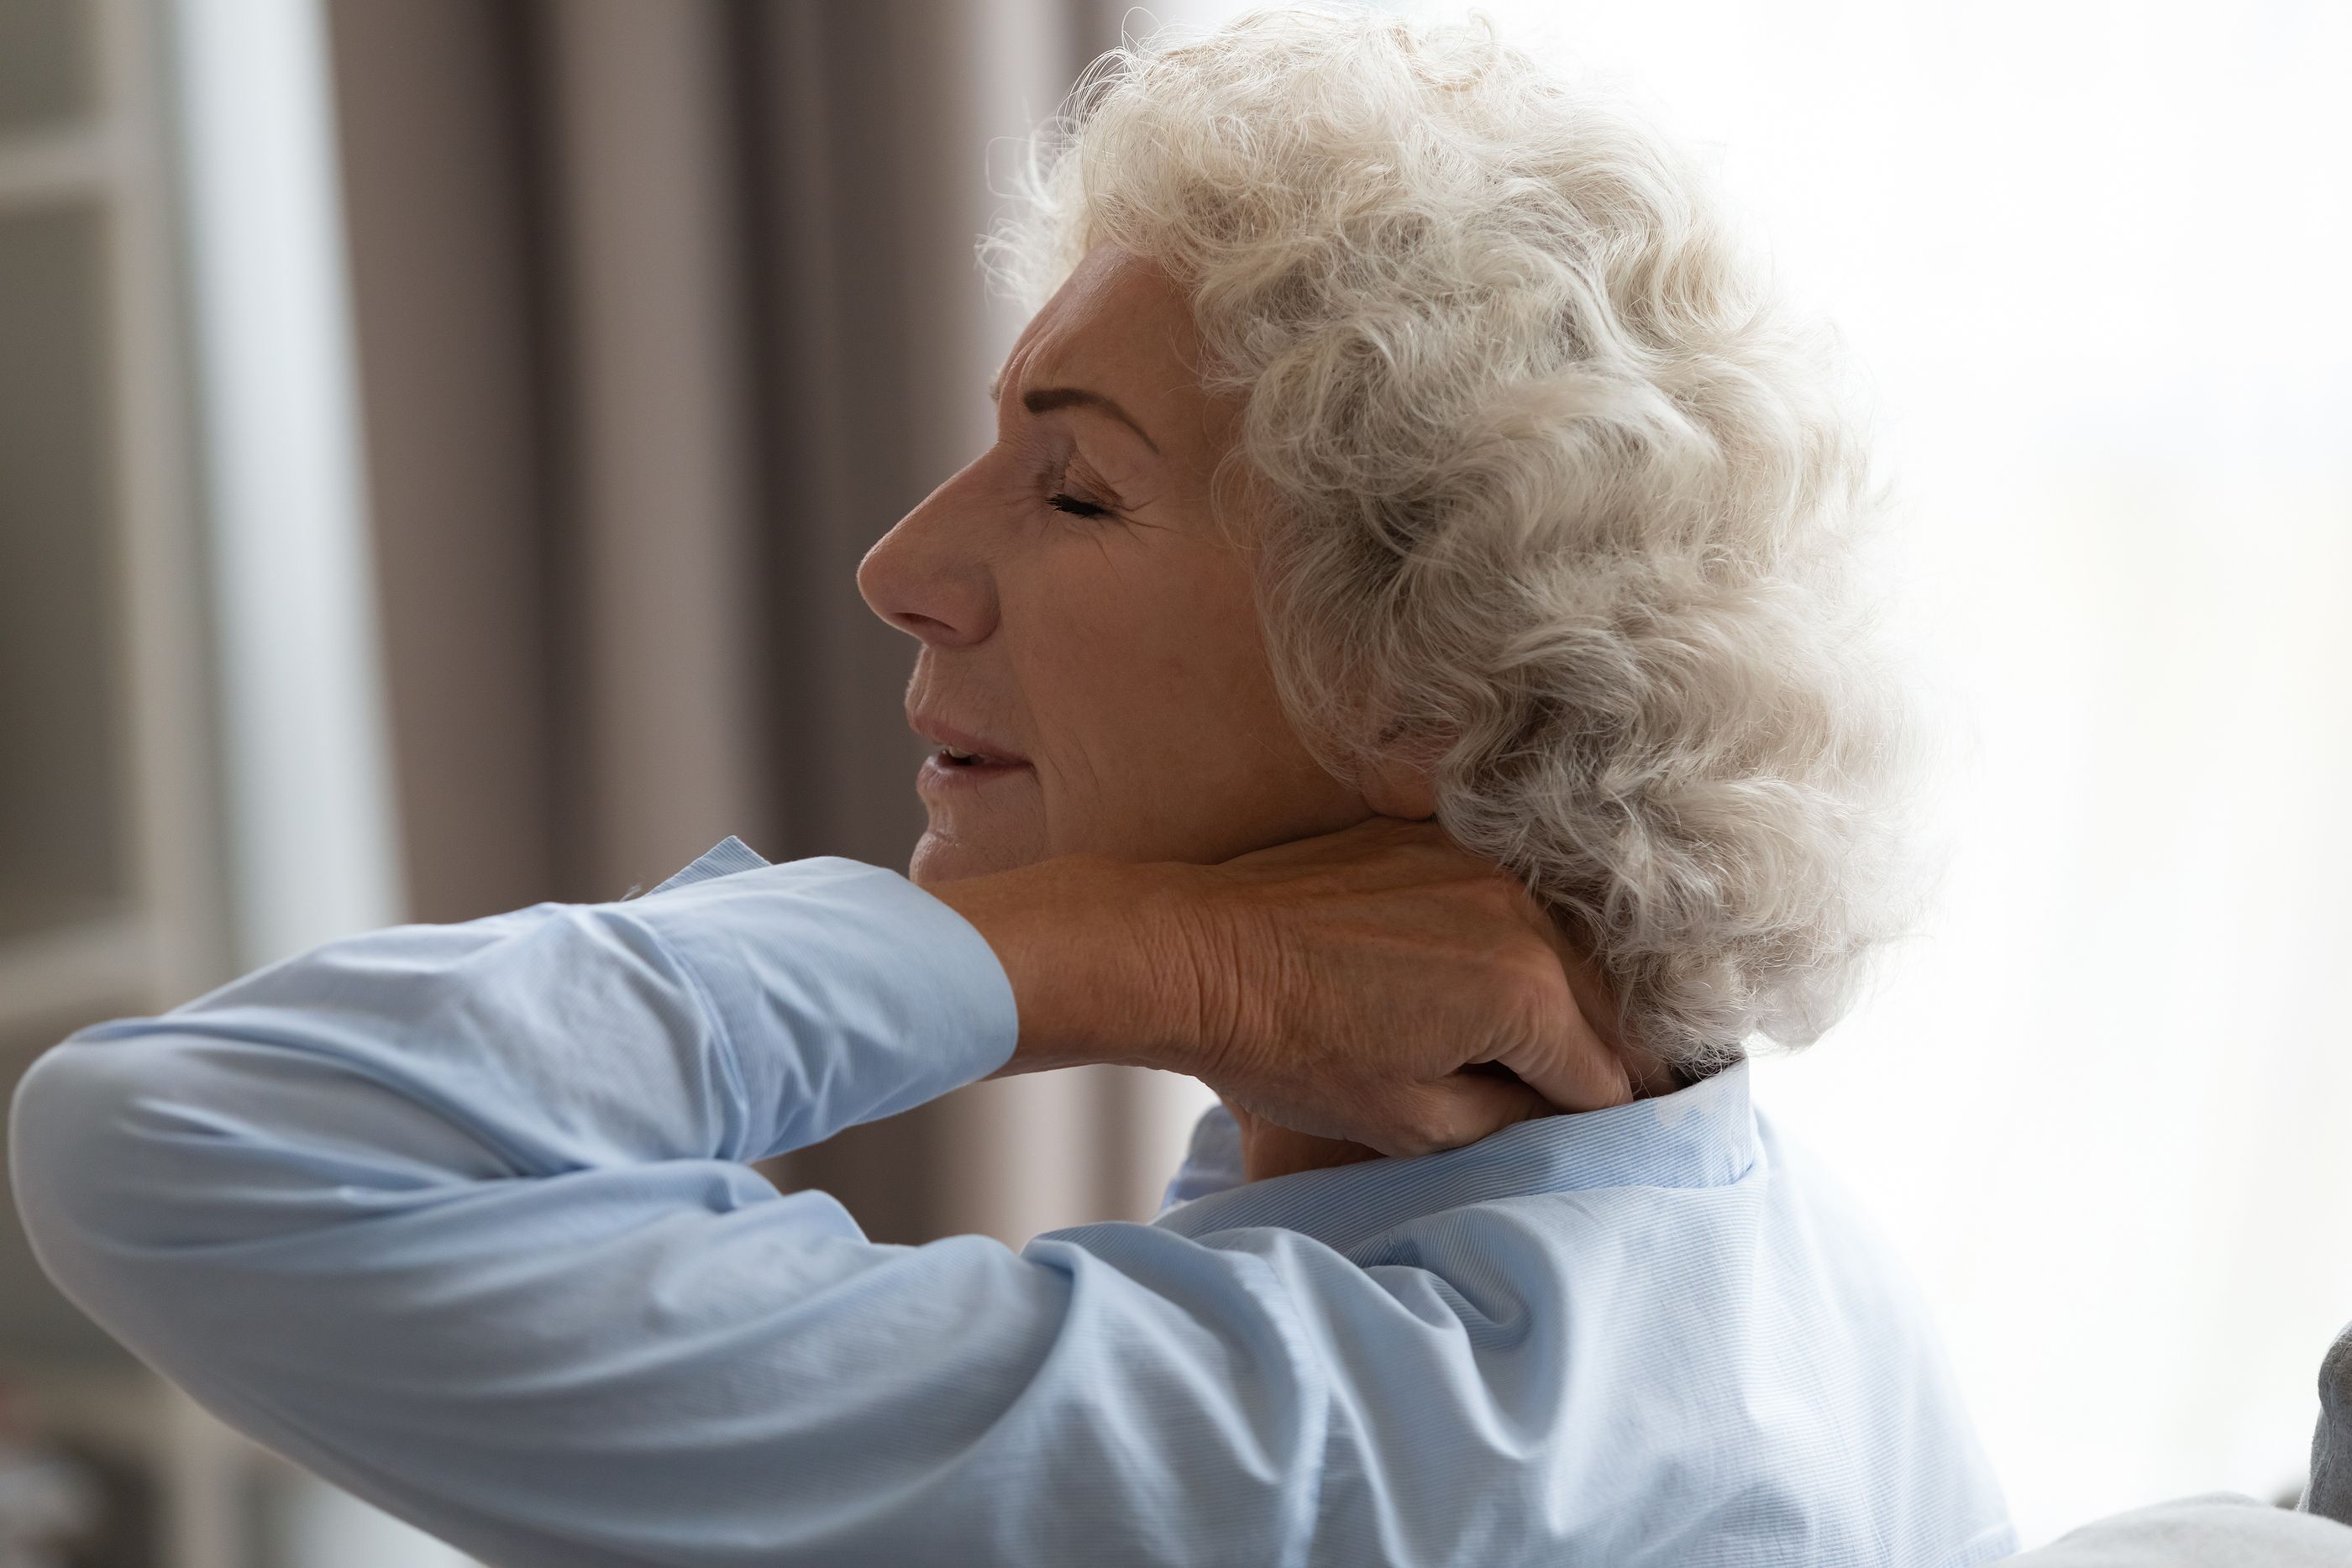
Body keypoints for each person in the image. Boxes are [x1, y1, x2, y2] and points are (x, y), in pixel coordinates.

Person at [8, 7, 2017, 1565]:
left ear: (1420, 683)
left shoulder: (1304, 1458)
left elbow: (187, 1141)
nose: (902, 564)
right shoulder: (1753, 1251)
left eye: (1073, 485)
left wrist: (1117, 952)